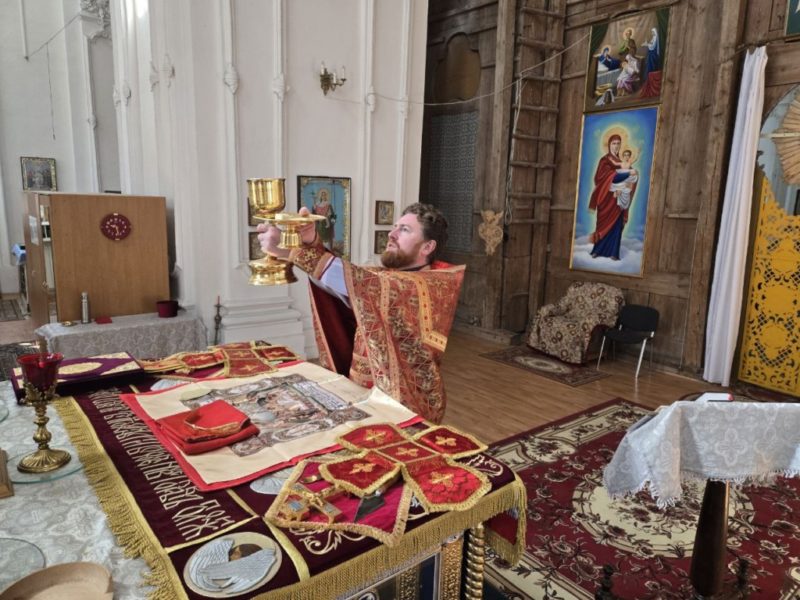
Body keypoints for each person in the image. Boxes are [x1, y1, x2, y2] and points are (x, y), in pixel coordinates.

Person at [257, 202, 464, 423]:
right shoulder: (387, 277)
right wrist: (311, 242)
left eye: (404, 230)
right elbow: (345, 282)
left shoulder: (430, 284)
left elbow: (360, 282)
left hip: (405, 404)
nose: (392, 234)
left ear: (427, 247)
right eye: (395, 227)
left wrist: (290, 251)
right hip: (364, 391)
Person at [588, 134, 636, 260]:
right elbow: (601, 178)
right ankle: (597, 250)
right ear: (609, 145)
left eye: (618, 143)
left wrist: (630, 174)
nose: (616, 146)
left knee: (616, 226)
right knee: (602, 225)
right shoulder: (604, 161)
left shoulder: (622, 162)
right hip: (605, 199)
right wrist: (626, 174)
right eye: (614, 143)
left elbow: (633, 176)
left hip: (617, 201)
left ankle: (614, 253)